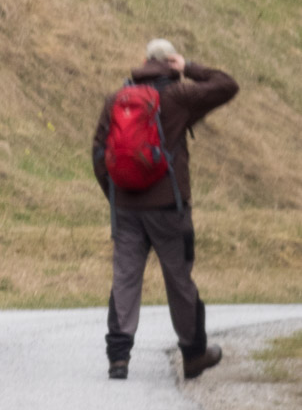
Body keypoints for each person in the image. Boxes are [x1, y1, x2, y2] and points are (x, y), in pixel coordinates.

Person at [92, 39, 238, 381]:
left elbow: (99, 154)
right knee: (178, 280)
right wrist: (188, 68)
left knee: (125, 277)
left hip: (127, 208)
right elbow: (227, 85)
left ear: (144, 61)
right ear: (169, 64)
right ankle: (193, 354)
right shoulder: (180, 96)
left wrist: (116, 195)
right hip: (169, 208)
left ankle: (118, 359)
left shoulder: (117, 99)